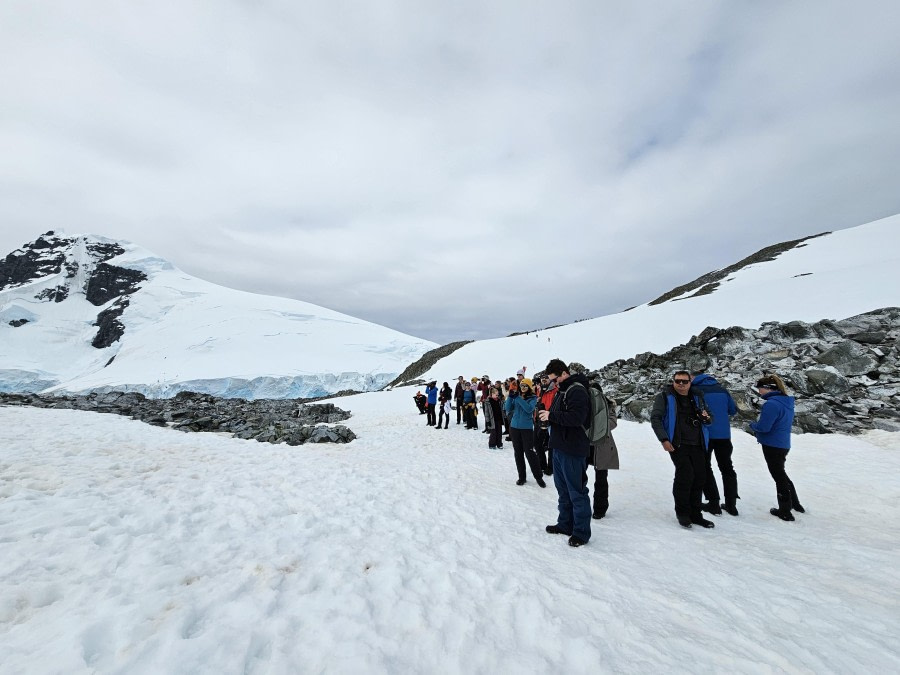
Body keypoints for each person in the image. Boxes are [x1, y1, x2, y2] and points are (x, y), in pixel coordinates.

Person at [650, 371, 716, 529]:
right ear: (673, 381)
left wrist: (706, 418)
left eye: (684, 381)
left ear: (690, 382)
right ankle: (683, 513)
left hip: (698, 443)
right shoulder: (665, 397)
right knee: (685, 476)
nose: (681, 384)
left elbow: (710, 419)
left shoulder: (698, 397)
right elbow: (656, 418)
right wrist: (664, 439)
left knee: (700, 478)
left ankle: (696, 514)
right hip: (677, 444)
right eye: (677, 381)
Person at [537, 359, 592, 547]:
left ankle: (581, 532)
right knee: (563, 491)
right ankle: (565, 524)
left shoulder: (576, 390)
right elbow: (559, 415)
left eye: (555, 379)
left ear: (564, 373)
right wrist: (548, 417)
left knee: (577, 491)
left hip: (573, 449)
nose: (553, 383)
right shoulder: (562, 390)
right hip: (560, 446)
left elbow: (577, 418)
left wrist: (551, 416)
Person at [749, 374, 803, 521]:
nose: (758, 392)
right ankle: (796, 504)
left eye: (760, 388)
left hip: (772, 444)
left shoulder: (772, 404)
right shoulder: (785, 401)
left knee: (779, 477)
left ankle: (785, 511)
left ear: (767, 388)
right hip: (783, 443)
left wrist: (752, 425)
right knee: (781, 474)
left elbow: (765, 427)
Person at [691, 370, 739, 516]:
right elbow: (732, 410)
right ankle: (731, 505)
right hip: (724, 435)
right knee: (727, 468)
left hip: (706, 435)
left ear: (694, 377)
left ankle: (713, 503)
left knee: (705, 467)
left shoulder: (695, 391)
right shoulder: (722, 390)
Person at [505, 378, 545, 487]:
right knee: (518, 453)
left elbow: (528, 409)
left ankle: (538, 476)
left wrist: (517, 398)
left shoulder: (533, 398)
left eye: (525, 386)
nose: (523, 388)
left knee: (529, 452)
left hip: (526, 429)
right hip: (514, 428)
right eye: (521, 386)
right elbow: (507, 408)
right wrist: (510, 396)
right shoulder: (516, 396)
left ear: (529, 387)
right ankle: (521, 477)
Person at [591, 396, 619, 520]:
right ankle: (581, 506)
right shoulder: (582, 403)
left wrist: (596, 423)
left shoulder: (608, 406)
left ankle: (600, 509)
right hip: (585, 445)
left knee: (601, 479)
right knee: (580, 478)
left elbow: (612, 423)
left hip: (602, 446)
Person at [536, 374, 557, 476]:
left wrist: (550, 415)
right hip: (540, 419)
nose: (544, 380)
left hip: (551, 420)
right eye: (542, 379)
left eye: (546, 378)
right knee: (538, 443)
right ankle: (542, 464)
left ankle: (551, 467)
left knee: (551, 445)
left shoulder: (555, 390)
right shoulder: (540, 390)